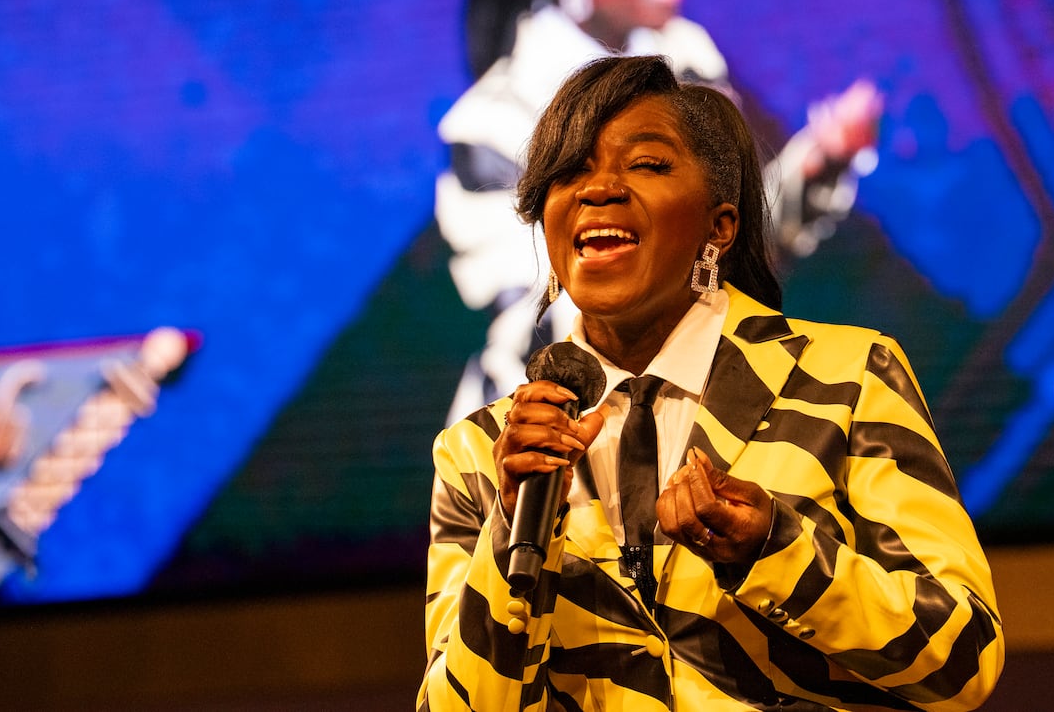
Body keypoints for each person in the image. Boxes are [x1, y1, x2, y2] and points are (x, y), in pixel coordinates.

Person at [420, 55, 1004, 711]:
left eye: (645, 164)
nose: (597, 189)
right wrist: (511, 530)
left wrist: (773, 548)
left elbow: (963, 657)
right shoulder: (482, 453)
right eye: (570, 169)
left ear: (718, 225)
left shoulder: (847, 379)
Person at [437, 0, 882, 424]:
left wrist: (817, 163)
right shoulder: (490, 124)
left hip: (695, 412)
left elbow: (731, 243)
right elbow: (539, 314)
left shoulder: (689, 59)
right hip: (545, 437)